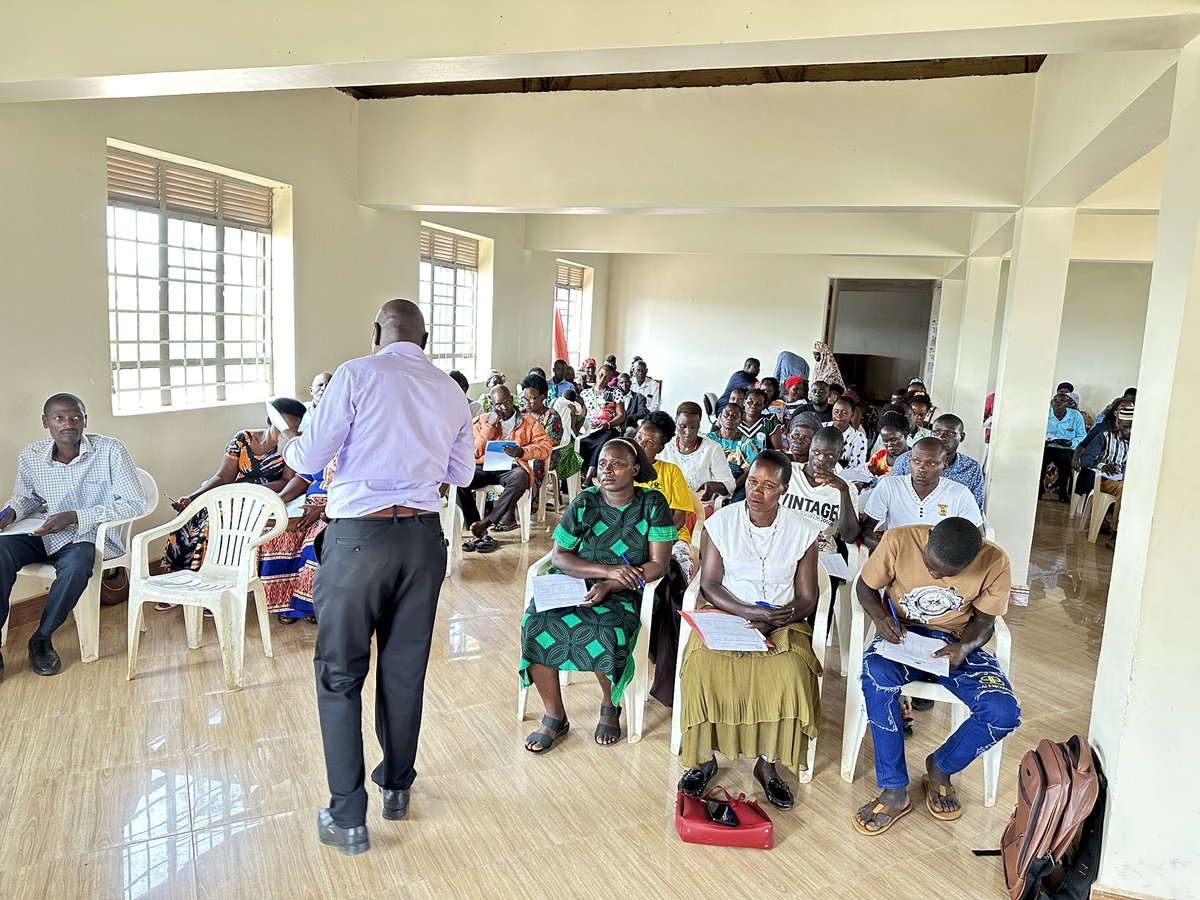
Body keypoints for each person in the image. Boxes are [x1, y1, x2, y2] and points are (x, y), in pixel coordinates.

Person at [278, 298, 475, 856]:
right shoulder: (450, 390)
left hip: (359, 540)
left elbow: (310, 455)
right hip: (422, 542)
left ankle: (348, 818)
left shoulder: (356, 374)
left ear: (376, 333)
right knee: (404, 668)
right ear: (427, 338)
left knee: (340, 673)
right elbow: (460, 473)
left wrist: (289, 439)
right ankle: (396, 788)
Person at [852, 518, 1019, 835]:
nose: (935, 576)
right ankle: (894, 789)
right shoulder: (900, 540)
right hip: (902, 635)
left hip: (955, 642)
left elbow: (985, 621)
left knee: (1003, 712)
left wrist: (964, 647)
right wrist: (881, 618)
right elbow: (865, 587)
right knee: (876, 676)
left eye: (946, 574)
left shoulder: (995, 561)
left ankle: (941, 767)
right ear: (928, 539)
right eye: (931, 566)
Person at [676, 452, 821, 810]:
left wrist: (778, 617)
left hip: (782, 621)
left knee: (790, 674)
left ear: (783, 490)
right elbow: (709, 584)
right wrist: (746, 612)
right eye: (753, 482)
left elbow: (807, 597)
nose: (757, 491)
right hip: (727, 613)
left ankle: (768, 766)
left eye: (768, 486)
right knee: (702, 667)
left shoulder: (804, 530)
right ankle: (704, 758)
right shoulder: (722, 522)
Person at [519, 439, 676, 752]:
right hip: (576, 584)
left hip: (628, 590)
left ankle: (609, 705)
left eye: (617, 464)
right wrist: (605, 571)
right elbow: (561, 556)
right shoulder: (586, 501)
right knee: (535, 625)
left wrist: (612, 584)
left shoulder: (652, 503)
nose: (607, 470)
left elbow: (658, 564)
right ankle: (555, 715)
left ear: (635, 469)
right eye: (603, 463)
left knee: (605, 632)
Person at [0, 393, 147, 677]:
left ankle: (41, 638)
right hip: (41, 533)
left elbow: (135, 503)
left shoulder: (110, 451)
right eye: (59, 418)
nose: (68, 423)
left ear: (85, 420)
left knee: (77, 566)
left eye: (75, 416)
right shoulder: (32, 455)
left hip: (86, 537)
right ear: (46, 423)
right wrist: (10, 513)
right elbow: (25, 498)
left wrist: (75, 517)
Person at [162, 398, 307, 582]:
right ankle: (179, 578)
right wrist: (193, 498)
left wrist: (251, 492)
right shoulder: (243, 439)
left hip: (262, 496)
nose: (285, 435)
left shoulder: (293, 446)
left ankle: (211, 581)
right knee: (192, 513)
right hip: (233, 494)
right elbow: (223, 477)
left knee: (215, 520)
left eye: (292, 430)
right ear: (269, 421)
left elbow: (287, 480)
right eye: (282, 428)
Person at [457, 384, 551, 553]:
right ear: (491, 405)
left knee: (521, 477)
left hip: (511, 467)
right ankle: (478, 531)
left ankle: (487, 522)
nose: (503, 407)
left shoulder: (529, 422)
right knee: (460, 477)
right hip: (484, 466)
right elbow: (473, 451)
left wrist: (523, 451)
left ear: (512, 400)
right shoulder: (482, 421)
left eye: (507, 402)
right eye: (498, 405)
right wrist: (490, 426)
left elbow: (545, 447)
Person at [862, 438, 984, 550]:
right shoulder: (889, 486)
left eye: (931, 464)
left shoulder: (960, 494)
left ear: (944, 466)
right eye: (916, 461)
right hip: (896, 556)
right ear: (909, 462)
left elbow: (978, 537)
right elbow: (866, 530)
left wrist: (949, 559)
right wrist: (887, 550)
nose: (922, 468)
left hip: (940, 563)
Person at [259, 456, 338, 624]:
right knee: (276, 533)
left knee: (316, 538)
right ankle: (286, 605)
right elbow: (303, 478)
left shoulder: (364, 444)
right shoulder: (324, 442)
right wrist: (278, 502)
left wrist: (322, 509)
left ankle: (310, 606)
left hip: (337, 508)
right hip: (306, 504)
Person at [633, 411, 695, 569]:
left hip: (670, 536)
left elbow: (679, 518)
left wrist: (655, 540)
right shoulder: (622, 469)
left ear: (660, 449)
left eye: (650, 443)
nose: (641, 445)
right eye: (639, 437)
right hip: (630, 535)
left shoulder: (672, 472)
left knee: (679, 562)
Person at [890, 414, 985, 511]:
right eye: (936, 432)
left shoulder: (972, 468)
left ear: (962, 437)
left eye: (950, 433)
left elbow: (975, 509)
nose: (942, 437)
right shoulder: (905, 460)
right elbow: (892, 496)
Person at [519, 373, 580, 521]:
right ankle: (506, 503)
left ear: (543, 397)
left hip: (548, 456)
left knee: (535, 463)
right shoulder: (520, 415)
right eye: (525, 398)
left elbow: (550, 443)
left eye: (532, 398)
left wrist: (528, 449)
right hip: (522, 453)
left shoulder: (551, 416)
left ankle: (529, 505)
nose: (527, 402)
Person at [658, 402, 735, 508]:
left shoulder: (712, 449)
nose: (688, 432)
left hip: (699, 505)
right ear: (676, 422)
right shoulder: (665, 445)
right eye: (683, 426)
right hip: (668, 503)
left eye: (693, 427)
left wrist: (712, 486)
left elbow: (730, 485)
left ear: (699, 424)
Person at [1078, 403, 1133, 548]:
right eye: (1125, 426)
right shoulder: (1105, 437)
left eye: (1132, 427)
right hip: (1105, 480)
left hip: (1127, 480)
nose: (1128, 431)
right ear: (1118, 423)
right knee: (1124, 489)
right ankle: (1116, 535)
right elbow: (1085, 458)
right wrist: (1102, 466)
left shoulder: (1138, 443)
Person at [578, 364, 626, 484]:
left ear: (610, 380)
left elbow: (621, 415)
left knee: (601, 443)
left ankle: (589, 477)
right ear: (596, 375)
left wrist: (608, 424)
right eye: (601, 375)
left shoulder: (615, 392)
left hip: (608, 428)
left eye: (606, 377)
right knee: (580, 442)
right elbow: (582, 414)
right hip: (590, 429)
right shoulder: (585, 393)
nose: (602, 379)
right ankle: (580, 475)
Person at [706, 401, 757, 502]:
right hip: (710, 480)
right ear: (720, 417)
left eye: (735, 416)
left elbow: (749, 472)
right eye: (726, 415)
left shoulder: (746, 444)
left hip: (736, 484)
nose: (730, 418)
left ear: (741, 419)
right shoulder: (709, 439)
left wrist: (730, 488)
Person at [1043, 392, 1087, 503]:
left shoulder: (1076, 416)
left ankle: (1062, 491)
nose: (1057, 410)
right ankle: (1038, 490)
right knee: (1039, 460)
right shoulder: (1045, 413)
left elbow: (1082, 436)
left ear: (1067, 404)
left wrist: (1071, 443)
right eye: (1054, 405)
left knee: (1065, 462)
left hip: (1065, 448)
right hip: (1047, 447)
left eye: (1060, 406)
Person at [868, 412, 910, 478]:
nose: (889, 444)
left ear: (905, 434)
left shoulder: (915, 458)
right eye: (885, 441)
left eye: (894, 440)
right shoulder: (879, 456)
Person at [831, 396, 868, 468]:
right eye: (836, 411)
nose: (839, 415)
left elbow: (857, 468)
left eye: (844, 413)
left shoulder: (858, 438)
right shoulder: (822, 427)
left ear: (852, 415)